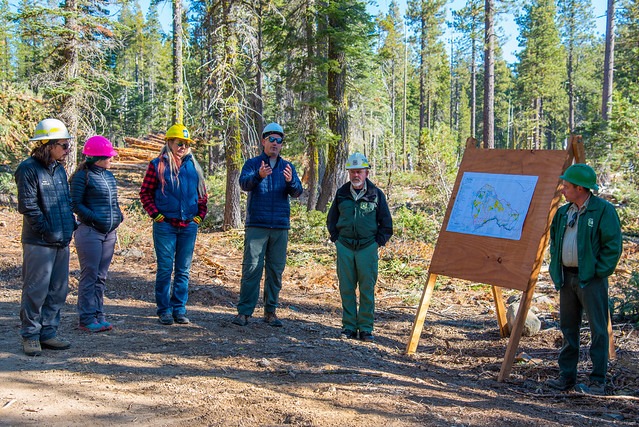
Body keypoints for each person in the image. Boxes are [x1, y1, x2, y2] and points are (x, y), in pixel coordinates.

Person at [545, 163, 622, 395]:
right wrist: (556, 269)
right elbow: (555, 242)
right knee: (569, 328)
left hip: (591, 281)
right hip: (566, 279)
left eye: (566, 186)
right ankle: (566, 377)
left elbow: (613, 246)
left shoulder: (603, 211)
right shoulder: (562, 212)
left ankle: (597, 380)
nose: (562, 189)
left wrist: (597, 272)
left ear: (580, 188)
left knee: (598, 330)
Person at [14, 118, 76, 356]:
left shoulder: (59, 170)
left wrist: (70, 226)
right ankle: (30, 334)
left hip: (62, 240)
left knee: (58, 289)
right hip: (39, 241)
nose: (67, 150)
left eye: (67, 145)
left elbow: (65, 201)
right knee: (35, 289)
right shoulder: (27, 169)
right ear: (47, 145)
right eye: (63, 145)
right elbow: (28, 207)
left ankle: (48, 333)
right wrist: (47, 231)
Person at [232, 122, 303, 327]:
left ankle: (270, 312)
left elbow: (298, 192)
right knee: (252, 268)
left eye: (279, 140)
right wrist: (259, 176)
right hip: (257, 225)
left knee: (275, 270)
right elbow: (244, 184)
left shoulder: (287, 166)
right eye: (271, 139)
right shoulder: (253, 164)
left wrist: (291, 182)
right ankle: (244, 312)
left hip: (280, 226)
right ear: (263, 141)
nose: (275, 143)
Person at [140, 124, 208, 325]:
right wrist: (156, 215)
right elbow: (145, 193)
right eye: (179, 143)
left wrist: (199, 217)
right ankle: (164, 310)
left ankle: (179, 309)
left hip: (188, 226)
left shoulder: (194, 166)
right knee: (165, 268)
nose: (183, 146)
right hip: (165, 226)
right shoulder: (157, 165)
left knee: (183, 269)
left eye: (186, 143)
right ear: (169, 142)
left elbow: (202, 196)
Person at [326, 152, 393, 342]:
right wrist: (336, 240)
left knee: (366, 288)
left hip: (367, 248)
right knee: (346, 288)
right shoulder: (341, 193)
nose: (356, 175)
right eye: (353, 172)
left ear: (366, 173)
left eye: (360, 172)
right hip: (345, 246)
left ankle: (365, 328)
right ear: (349, 173)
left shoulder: (376, 194)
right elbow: (332, 220)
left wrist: (376, 243)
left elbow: (386, 224)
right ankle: (348, 327)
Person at [70, 136, 123, 333]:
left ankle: (99, 314)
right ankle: (86, 318)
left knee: (101, 276)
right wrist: (94, 218)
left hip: (109, 233)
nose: (111, 159)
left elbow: (113, 202)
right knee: (90, 275)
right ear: (98, 157)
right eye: (109, 156)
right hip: (90, 232)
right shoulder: (82, 176)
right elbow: (75, 203)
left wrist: (118, 216)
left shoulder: (109, 176)